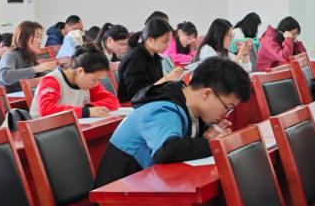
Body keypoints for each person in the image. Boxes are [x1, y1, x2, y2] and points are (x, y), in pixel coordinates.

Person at [94, 57, 251, 186]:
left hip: (148, 186)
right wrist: (212, 144)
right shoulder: (163, 108)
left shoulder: (192, 110)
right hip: (117, 195)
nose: (225, 115)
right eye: (227, 107)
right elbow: (166, 150)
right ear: (207, 94)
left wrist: (206, 137)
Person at [30, 46, 120, 118]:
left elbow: (113, 101)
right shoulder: (52, 80)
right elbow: (46, 109)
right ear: (80, 71)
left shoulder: (87, 82)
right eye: (94, 79)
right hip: (46, 131)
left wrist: (90, 107)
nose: (96, 84)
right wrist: (85, 112)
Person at [117, 18, 183, 103]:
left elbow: (157, 88)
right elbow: (136, 95)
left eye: (169, 42)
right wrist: (167, 79)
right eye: (165, 41)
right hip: (133, 105)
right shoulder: (135, 58)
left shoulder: (155, 56)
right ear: (151, 40)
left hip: (150, 101)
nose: (168, 45)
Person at [0, 21, 59, 93]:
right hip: (10, 97)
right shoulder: (11, 55)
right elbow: (5, 76)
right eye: (37, 37)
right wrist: (37, 68)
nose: (39, 41)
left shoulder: (29, 55)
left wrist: (56, 73)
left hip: (24, 94)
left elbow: (38, 74)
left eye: (40, 37)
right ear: (24, 38)